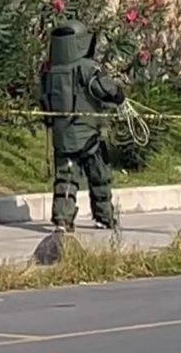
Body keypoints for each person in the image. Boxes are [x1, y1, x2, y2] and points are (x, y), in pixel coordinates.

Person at [40, 19, 126, 232]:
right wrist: (119, 96)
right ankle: (104, 217)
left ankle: (62, 218)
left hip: (62, 134)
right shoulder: (87, 68)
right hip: (89, 134)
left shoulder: (49, 71)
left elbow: (42, 98)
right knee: (100, 177)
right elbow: (106, 89)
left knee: (66, 178)